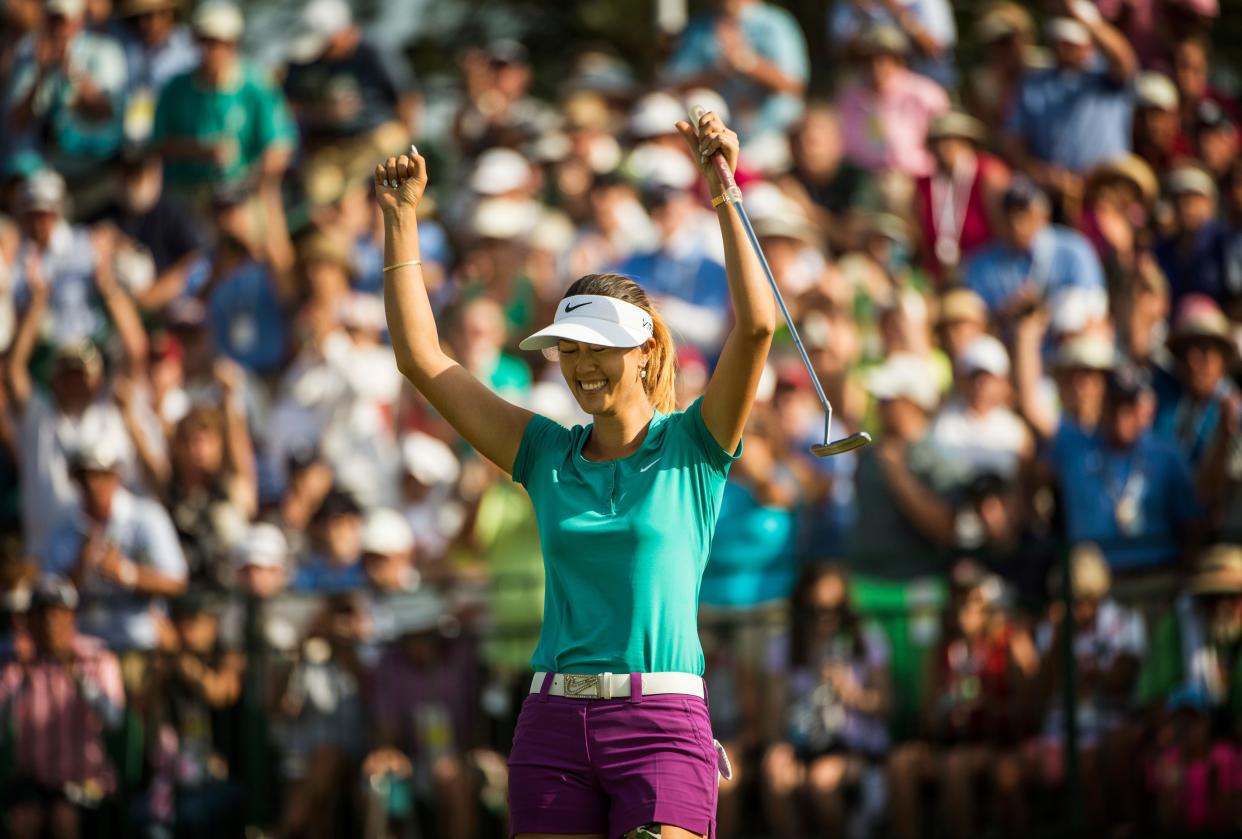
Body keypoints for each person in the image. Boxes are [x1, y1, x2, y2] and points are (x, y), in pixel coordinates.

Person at [374, 106, 773, 838]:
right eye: (569, 349)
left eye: (599, 347)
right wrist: (401, 222)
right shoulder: (545, 451)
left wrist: (725, 188)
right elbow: (423, 360)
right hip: (552, 723)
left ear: (647, 352)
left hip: (662, 720)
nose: (582, 365)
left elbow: (755, 327)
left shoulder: (695, 445)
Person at [761, 564, 891, 837]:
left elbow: (885, 704)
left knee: (823, 781)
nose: (827, 619)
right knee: (775, 771)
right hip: (802, 743)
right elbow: (774, 714)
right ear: (802, 608)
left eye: (836, 610)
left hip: (857, 747)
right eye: (817, 610)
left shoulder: (867, 640)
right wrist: (779, 748)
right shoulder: (783, 645)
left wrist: (851, 690)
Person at [0, 576, 125, 839]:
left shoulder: (97, 657)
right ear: (30, 622)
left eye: (58, 613)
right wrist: (20, 682)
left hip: (87, 781)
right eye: (42, 614)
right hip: (34, 782)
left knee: (64, 819)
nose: (50, 623)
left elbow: (114, 719)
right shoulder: (18, 664)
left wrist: (80, 680)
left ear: (72, 616)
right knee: (23, 822)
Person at [151, 0, 296, 202]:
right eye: (206, 41)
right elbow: (159, 144)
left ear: (233, 44)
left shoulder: (257, 85)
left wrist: (254, 183)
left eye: (220, 43)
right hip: (187, 195)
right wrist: (200, 151)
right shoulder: (175, 89)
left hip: (245, 193)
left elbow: (279, 146)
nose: (212, 51)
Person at [281, 0, 418, 208]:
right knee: (319, 191)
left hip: (373, 137)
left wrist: (410, 145)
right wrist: (322, 114)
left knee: (386, 144)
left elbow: (407, 98)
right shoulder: (302, 61)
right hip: (328, 147)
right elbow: (287, 105)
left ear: (342, 33)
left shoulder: (374, 49)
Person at [1003, 6, 1137, 208]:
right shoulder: (1033, 84)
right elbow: (1015, 145)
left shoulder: (1106, 75)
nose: (1064, 47)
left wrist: (1078, 12)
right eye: (1060, 41)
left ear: (1089, 43)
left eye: (1072, 43)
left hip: (1108, 193)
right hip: (1052, 198)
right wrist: (1043, 175)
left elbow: (1122, 56)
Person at [662, 0, 808, 142]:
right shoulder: (699, 28)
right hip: (717, 139)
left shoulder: (776, 23)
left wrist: (748, 63)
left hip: (773, 136)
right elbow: (674, 85)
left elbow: (794, 85)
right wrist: (719, 73)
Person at [962, 178, 1105, 317]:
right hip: (1006, 337)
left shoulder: (1073, 250)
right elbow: (973, 317)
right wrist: (1005, 313)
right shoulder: (981, 263)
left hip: (1065, 337)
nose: (1016, 225)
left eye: (1025, 215)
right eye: (1010, 216)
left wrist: (1047, 309)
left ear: (1043, 216)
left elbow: (1094, 307)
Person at [834, 24, 949, 179]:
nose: (875, 66)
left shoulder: (925, 94)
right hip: (858, 179)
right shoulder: (848, 97)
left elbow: (945, 144)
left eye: (883, 59)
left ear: (899, 60)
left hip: (913, 178)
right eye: (868, 59)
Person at [913, 109, 1009, 284]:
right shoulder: (923, 185)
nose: (944, 149)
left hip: (984, 273)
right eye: (938, 143)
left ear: (968, 144)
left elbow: (1005, 234)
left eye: (952, 142)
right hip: (939, 275)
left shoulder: (988, 175)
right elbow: (920, 240)